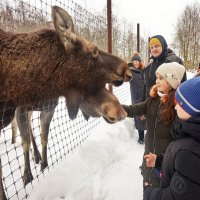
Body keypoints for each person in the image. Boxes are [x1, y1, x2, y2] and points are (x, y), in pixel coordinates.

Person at [122, 62, 186, 189]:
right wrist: (115, 108)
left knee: (160, 189)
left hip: (164, 161)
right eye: (157, 77)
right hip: (148, 155)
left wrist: (162, 160)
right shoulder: (153, 99)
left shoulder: (177, 107)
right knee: (147, 186)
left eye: (161, 78)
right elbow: (133, 109)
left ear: (172, 82)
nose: (157, 81)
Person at [144, 77, 200, 200]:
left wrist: (149, 194)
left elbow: (175, 197)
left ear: (193, 111)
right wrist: (161, 160)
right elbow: (183, 166)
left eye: (180, 104)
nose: (175, 108)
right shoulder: (189, 132)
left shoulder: (189, 152)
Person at [144, 35, 186, 99]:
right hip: (151, 105)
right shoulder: (149, 66)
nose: (154, 49)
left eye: (156, 46)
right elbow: (145, 88)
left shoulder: (174, 61)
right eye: (151, 47)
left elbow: (183, 86)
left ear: (163, 46)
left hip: (169, 105)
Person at [128, 52, 146, 144]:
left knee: (146, 115)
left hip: (145, 96)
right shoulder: (130, 72)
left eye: (137, 61)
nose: (136, 63)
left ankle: (147, 136)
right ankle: (141, 137)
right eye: (134, 61)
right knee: (139, 116)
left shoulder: (143, 71)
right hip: (136, 97)